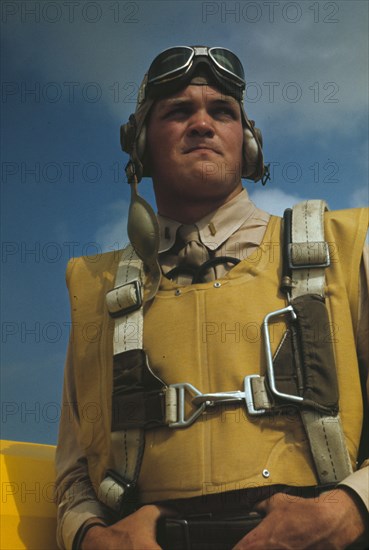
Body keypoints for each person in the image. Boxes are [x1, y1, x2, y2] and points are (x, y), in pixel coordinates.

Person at [55, 46, 369, 550]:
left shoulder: (341, 251)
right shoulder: (97, 290)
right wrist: (93, 538)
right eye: (179, 111)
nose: (202, 123)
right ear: (139, 147)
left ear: (246, 144)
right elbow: (73, 475)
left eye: (221, 111)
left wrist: (347, 510)